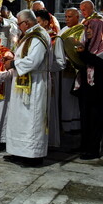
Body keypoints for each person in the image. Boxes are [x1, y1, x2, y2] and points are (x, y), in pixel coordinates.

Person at [1, 9, 50, 167]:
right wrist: (12, 58)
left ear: (27, 23)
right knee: (19, 118)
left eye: (19, 23)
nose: (18, 26)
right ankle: (19, 152)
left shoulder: (39, 36)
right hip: (22, 82)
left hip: (35, 83)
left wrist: (13, 63)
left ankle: (33, 156)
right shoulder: (29, 35)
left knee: (32, 119)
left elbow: (33, 61)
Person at [75, 18, 103, 160]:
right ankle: (84, 145)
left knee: (95, 118)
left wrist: (84, 55)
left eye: (90, 27)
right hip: (86, 87)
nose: (88, 30)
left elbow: (102, 63)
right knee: (85, 118)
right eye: (87, 28)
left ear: (98, 28)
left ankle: (93, 149)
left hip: (98, 88)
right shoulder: (87, 43)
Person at [35, 10, 66, 147]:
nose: (36, 25)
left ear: (46, 22)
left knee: (48, 109)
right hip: (35, 79)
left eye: (38, 22)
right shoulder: (34, 38)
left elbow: (60, 62)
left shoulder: (55, 39)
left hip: (50, 78)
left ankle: (50, 141)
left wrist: (45, 67)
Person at [59, 8, 83, 133]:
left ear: (77, 17)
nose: (66, 19)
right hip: (63, 66)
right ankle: (65, 123)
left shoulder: (82, 30)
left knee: (73, 96)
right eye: (66, 17)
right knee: (65, 95)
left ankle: (75, 124)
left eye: (69, 17)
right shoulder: (63, 30)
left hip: (75, 67)